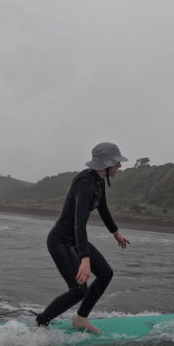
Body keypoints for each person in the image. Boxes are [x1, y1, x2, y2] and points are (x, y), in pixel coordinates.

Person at [34, 142, 131, 333]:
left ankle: (80, 319)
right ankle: (40, 324)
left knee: (105, 274)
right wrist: (84, 259)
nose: (120, 165)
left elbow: (102, 207)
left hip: (74, 239)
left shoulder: (99, 179)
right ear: (106, 164)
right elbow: (79, 222)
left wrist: (115, 233)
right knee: (78, 290)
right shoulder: (84, 183)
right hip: (60, 240)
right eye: (117, 162)